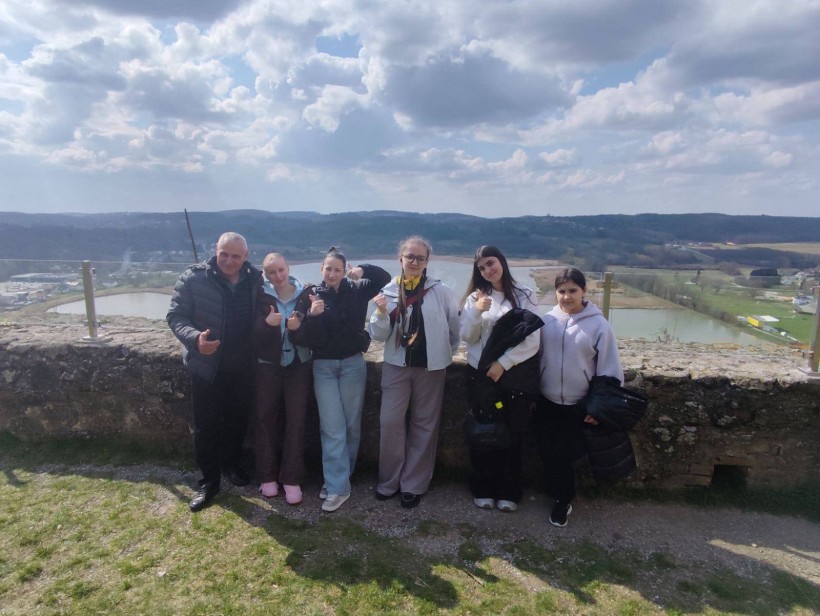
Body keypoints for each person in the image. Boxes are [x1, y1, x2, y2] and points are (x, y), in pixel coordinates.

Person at [167, 232, 261, 512]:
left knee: (237, 421)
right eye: (224, 254)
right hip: (207, 366)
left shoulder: (254, 279)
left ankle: (232, 465)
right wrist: (196, 339)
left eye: (236, 255)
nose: (229, 261)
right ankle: (209, 482)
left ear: (245, 257)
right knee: (206, 426)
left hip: (243, 366)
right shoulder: (194, 278)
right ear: (215, 250)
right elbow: (175, 315)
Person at [369, 236, 460, 509]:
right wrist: (381, 313)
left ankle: (413, 484)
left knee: (425, 425)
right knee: (390, 422)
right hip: (397, 366)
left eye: (420, 258)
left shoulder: (441, 291)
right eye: (410, 256)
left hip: (431, 368)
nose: (414, 262)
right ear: (400, 259)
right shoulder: (386, 292)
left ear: (427, 262)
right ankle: (389, 482)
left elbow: (454, 329)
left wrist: (445, 355)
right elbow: (378, 335)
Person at [299, 248, 390, 512]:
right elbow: (309, 339)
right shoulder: (312, 295)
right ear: (321, 269)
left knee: (351, 425)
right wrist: (314, 317)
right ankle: (338, 487)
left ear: (344, 269)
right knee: (332, 427)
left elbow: (383, 277)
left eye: (337, 269)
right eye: (328, 268)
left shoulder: (358, 288)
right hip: (324, 366)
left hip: (352, 364)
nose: (332, 273)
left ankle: (339, 478)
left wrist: (363, 268)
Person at [536, 267, 624, 527]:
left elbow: (610, 370)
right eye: (561, 291)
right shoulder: (547, 320)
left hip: (578, 403)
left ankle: (563, 501)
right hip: (546, 400)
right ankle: (554, 491)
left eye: (573, 290)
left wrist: (597, 409)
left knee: (564, 455)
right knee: (546, 451)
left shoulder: (599, 325)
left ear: (584, 291)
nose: (566, 297)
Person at [460, 245, 542, 513]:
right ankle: (483, 488)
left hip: (514, 376)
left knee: (513, 432)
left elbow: (533, 338)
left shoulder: (525, 295)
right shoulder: (476, 297)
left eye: (491, 263)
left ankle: (509, 491)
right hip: (479, 375)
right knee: (483, 431)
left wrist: (503, 364)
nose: (488, 270)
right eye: (482, 267)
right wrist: (475, 311)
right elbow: (469, 337)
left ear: (502, 262)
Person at [252, 253, 315, 506]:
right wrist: (265, 323)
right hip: (267, 366)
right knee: (265, 418)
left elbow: (315, 333)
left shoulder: (305, 294)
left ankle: (292, 478)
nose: (278, 276)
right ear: (265, 275)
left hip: (298, 365)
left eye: (281, 270)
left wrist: (300, 327)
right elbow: (249, 334)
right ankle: (267, 476)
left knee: (296, 421)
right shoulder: (260, 295)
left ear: (289, 268)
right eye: (271, 273)